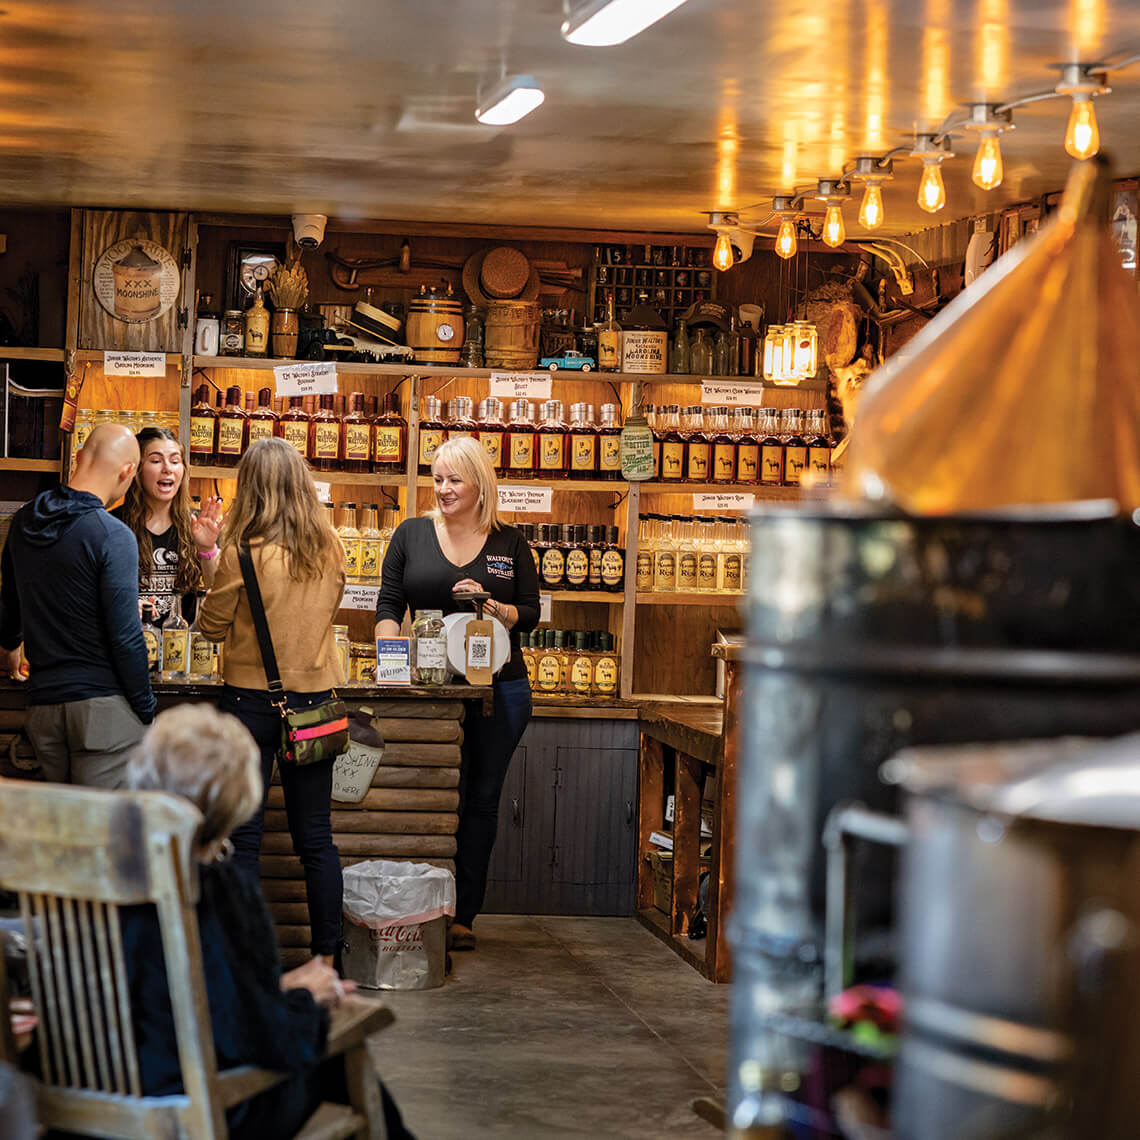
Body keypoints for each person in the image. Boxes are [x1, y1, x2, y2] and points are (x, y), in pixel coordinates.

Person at [121, 704, 414, 1140]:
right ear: (237, 802)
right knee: (338, 1054)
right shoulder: (217, 891)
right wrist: (306, 1002)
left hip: (101, 1101)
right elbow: (266, 1039)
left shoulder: (105, 879)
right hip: (198, 1112)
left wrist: (280, 988)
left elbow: (188, 996)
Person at [375, 435, 539, 951]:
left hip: (499, 689)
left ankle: (463, 914)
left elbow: (530, 614)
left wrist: (491, 605)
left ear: (480, 485)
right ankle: (419, 908)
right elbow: (389, 605)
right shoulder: (411, 534)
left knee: (480, 800)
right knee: (429, 792)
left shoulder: (510, 543)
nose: (443, 489)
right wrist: (389, 661)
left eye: (454, 480)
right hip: (428, 691)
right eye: (438, 479)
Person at [197, 437, 346, 964]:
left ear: (251, 490)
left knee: (245, 837)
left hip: (250, 704)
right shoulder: (331, 548)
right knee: (317, 840)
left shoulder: (244, 553)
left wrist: (209, 560)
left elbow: (211, 628)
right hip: (316, 704)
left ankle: (244, 960)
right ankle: (327, 960)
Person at [0, 423, 155, 787]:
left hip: (43, 709)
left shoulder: (23, 522)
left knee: (62, 820)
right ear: (127, 472)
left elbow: (9, 609)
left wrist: (11, 646)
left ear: (79, 457)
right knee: (103, 822)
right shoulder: (112, 535)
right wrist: (146, 709)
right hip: (102, 712)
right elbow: (126, 637)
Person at [113, 426, 223, 625]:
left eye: (175, 461)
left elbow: (219, 591)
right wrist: (122, 606)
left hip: (181, 641)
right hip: (130, 638)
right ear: (137, 469)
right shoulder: (113, 525)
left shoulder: (198, 524)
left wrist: (207, 549)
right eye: (156, 461)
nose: (167, 468)